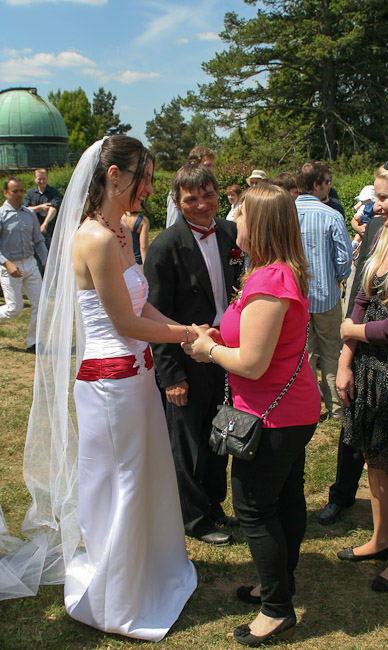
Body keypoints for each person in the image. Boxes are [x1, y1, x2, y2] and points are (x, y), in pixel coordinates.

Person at [0, 136, 197, 640]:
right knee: (120, 483)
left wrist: (186, 329)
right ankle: (117, 599)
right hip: (111, 384)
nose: (149, 189)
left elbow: (141, 305)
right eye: (143, 178)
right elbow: (124, 323)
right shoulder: (96, 238)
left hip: (137, 377)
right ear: (114, 175)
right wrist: (185, 336)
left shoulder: (121, 230)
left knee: (143, 475)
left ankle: (148, 571)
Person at [183, 184, 321, 646]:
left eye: (238, 213)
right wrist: (218, 337)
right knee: (285, 499)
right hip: (286, 409)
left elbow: (253, 363)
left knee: (254, 507)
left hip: (273, 416)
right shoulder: (273, 271)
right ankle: (278, 585)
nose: (231, 219)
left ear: (258, 223)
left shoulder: (269, 279)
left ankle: (277, 610)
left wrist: (208, 350)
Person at [319, 140, 388, 526]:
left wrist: (351, 330)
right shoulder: (383, 235)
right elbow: (361, 297)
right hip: (370, 369)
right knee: (374, 460)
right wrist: (346, 359)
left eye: (383, 197)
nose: (374, 205)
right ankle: (378, 536)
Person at [144, 164, 242, 546]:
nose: (201, 205)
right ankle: (193, 517)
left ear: (218, 193)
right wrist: (171, 376)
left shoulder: (232, 234)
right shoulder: (164, 247)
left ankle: (215, 504)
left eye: (208, 195)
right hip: (185, 356)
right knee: (187, 443)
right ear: (177, 201)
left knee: (219, 432)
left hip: (225, 352)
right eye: (191, 199)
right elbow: (155, 317)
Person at [296, 162, 352, 419]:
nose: (330, 186)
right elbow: (344, 259)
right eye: (327, 181)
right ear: (316, 184)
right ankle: (336, 408)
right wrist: (338, 278)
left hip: (296, 297)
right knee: (331, 352)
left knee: (303, 355)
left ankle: (309, 406)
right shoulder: (331, 215)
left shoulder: (285, 213)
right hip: (326, 296)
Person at [0, 177, 48, 352]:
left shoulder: (29, 214)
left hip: (30, 263)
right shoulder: (1, 215)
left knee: (40, 304)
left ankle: (32, 342)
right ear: (6, 193)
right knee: (15, 309)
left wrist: (47, 262)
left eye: (21, 191)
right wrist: (7, 264)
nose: (19, 194)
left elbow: (39, 240)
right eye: (15, 191)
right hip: (9, 266)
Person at [166, 146, 217, 228]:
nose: (212, 170)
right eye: (207, 165)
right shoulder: (180, 189)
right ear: (193, 164)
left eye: (212, 166)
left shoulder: (211, 187)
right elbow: (173, 224)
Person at [24, 168, 62, 272]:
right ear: (35, 179)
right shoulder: (30, 193)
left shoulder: (54, 192)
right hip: (33, 232)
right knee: (37, 260)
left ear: (47, 178)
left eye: (44, 178)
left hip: (50, 231)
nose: (42, 181)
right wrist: (40, 207)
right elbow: (26, 210)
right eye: (39, 179)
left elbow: (53, 208)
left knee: (52, 258)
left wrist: (44, 224)